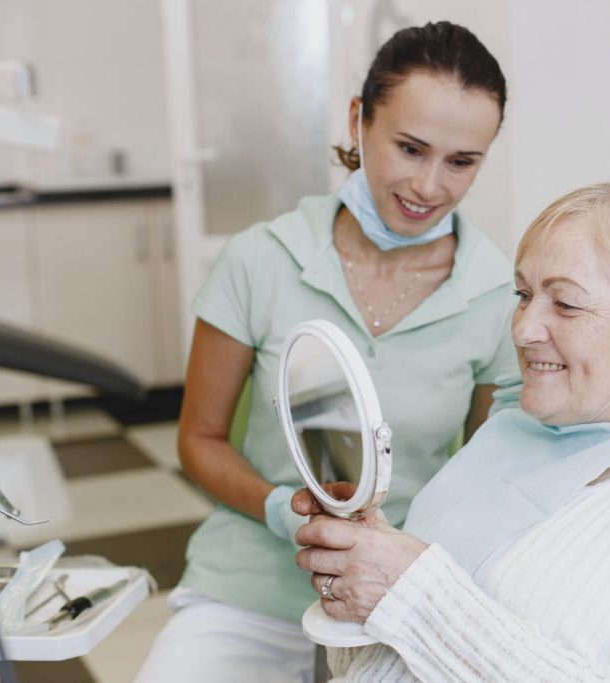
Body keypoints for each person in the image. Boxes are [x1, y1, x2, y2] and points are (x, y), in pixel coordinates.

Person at [294, 181, 610, 682]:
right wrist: (364, 564)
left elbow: (421, 603)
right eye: (524, 295)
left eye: (565, 304)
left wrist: (411, 590)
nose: (522, 330)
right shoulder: (517, 434)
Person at [134, 21, 518, 683]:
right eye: (409, 147)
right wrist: (282, 510)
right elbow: (199, 438)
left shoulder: (495, 292)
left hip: (402, 591)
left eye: (461, 162)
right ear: (358, 122)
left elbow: (485, 474)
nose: (430, 186)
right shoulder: (262, 258)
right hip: (252, 577)